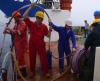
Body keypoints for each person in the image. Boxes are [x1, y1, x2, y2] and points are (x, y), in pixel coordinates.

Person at [23, 9, 51, 77]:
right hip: (32, 44)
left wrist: (50, 29)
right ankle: (32, 71)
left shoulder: (44, 26)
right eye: (38, 18)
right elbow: (24, 16)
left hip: (41, 44)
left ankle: (46, 71)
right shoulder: (31, 24)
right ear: (36, 17)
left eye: (41, 18)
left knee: (43, 58)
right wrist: (30, 7)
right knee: (32, 58)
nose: (40, 19)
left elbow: (48, 35)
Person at [4, 11, 28, 77]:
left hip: (22, 44)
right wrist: (7, 32)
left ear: (18, 17)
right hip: (17, 44)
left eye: (15, 18)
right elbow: (13, 33)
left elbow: (19, 32)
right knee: (19, 58)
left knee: (21, 58)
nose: (14, 19)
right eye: (14, 18)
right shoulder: (16, 24)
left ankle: (24, 73)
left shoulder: (23, 24)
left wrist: (9, 28)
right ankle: (21, 71)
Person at [82, 10, 100, 81]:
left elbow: (87, 43)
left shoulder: (93, 31)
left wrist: (86, 48)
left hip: (94, 52)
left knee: (90, 67)